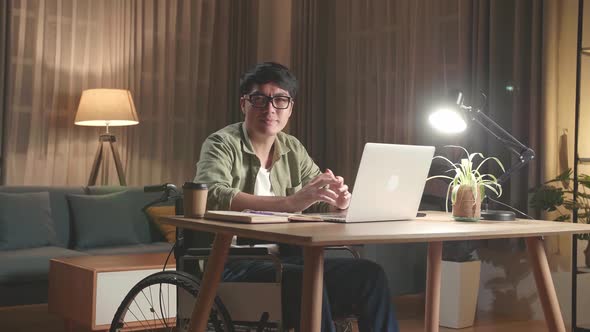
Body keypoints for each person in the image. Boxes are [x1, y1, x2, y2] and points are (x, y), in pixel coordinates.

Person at [194, 62, 398, 332]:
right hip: (232, 261)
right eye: (259, 100)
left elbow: (316, 189)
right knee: (305, 280)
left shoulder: (292, 147)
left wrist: (339, 199)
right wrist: (289, 204)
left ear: (290, 108)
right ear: (244, 104)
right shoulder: (221, 143)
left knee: (370, 275)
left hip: (288, 258)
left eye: (280, 100)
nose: (269, 109)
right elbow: (213, 193)